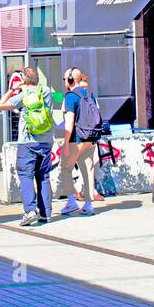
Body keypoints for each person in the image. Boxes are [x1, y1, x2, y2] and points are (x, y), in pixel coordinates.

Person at [0, 66, 56, 227]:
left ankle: (30, 211)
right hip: (46, 141)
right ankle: (46, 213)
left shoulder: (23, 96)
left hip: (27, 142)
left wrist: (12, 90)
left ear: (24, 79)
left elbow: (0, 106)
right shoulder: (47, 92)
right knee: (43, 176)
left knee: (26, 176)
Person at [58, 68, 102, 217]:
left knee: (65, 168)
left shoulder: (70, 96)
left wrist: (65, 143)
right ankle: (88, 205)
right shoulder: (89, 94)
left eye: (65, 79)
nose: (64, 82)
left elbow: (69, 123)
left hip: (77, 139)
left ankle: (71, 201)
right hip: (91, 137)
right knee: (88, 170)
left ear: (70, 80)